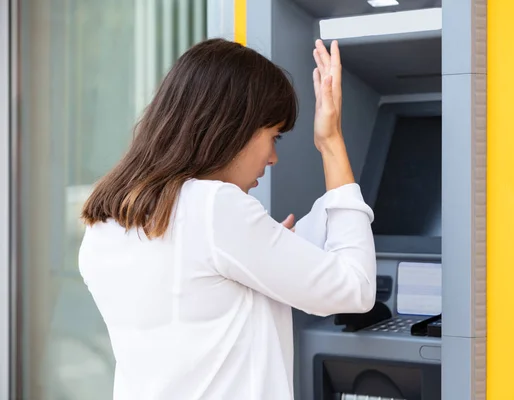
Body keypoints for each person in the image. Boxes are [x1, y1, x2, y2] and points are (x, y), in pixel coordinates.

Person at [78, 38, 376, 400]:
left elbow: (200, 304)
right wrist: (330, 141)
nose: (273, 158)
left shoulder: (106, 222)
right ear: (234, 127)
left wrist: (263, 250)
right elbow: (356, 288)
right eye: (274, 136)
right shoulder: (214, 207)